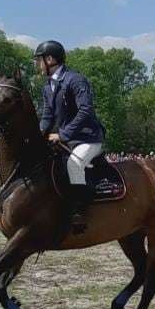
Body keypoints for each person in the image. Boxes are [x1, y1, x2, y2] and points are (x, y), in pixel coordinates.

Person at [34, 40, 105, 234]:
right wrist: (38, 136)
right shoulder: (48, 86)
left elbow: (85, 110)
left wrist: (63, 134)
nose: (37, 65)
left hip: (88, 138)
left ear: (50, 59)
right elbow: (47, 116)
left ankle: (80, 212)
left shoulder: (75, 80)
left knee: (74, 164)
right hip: (66, 139)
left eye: (39, 60)